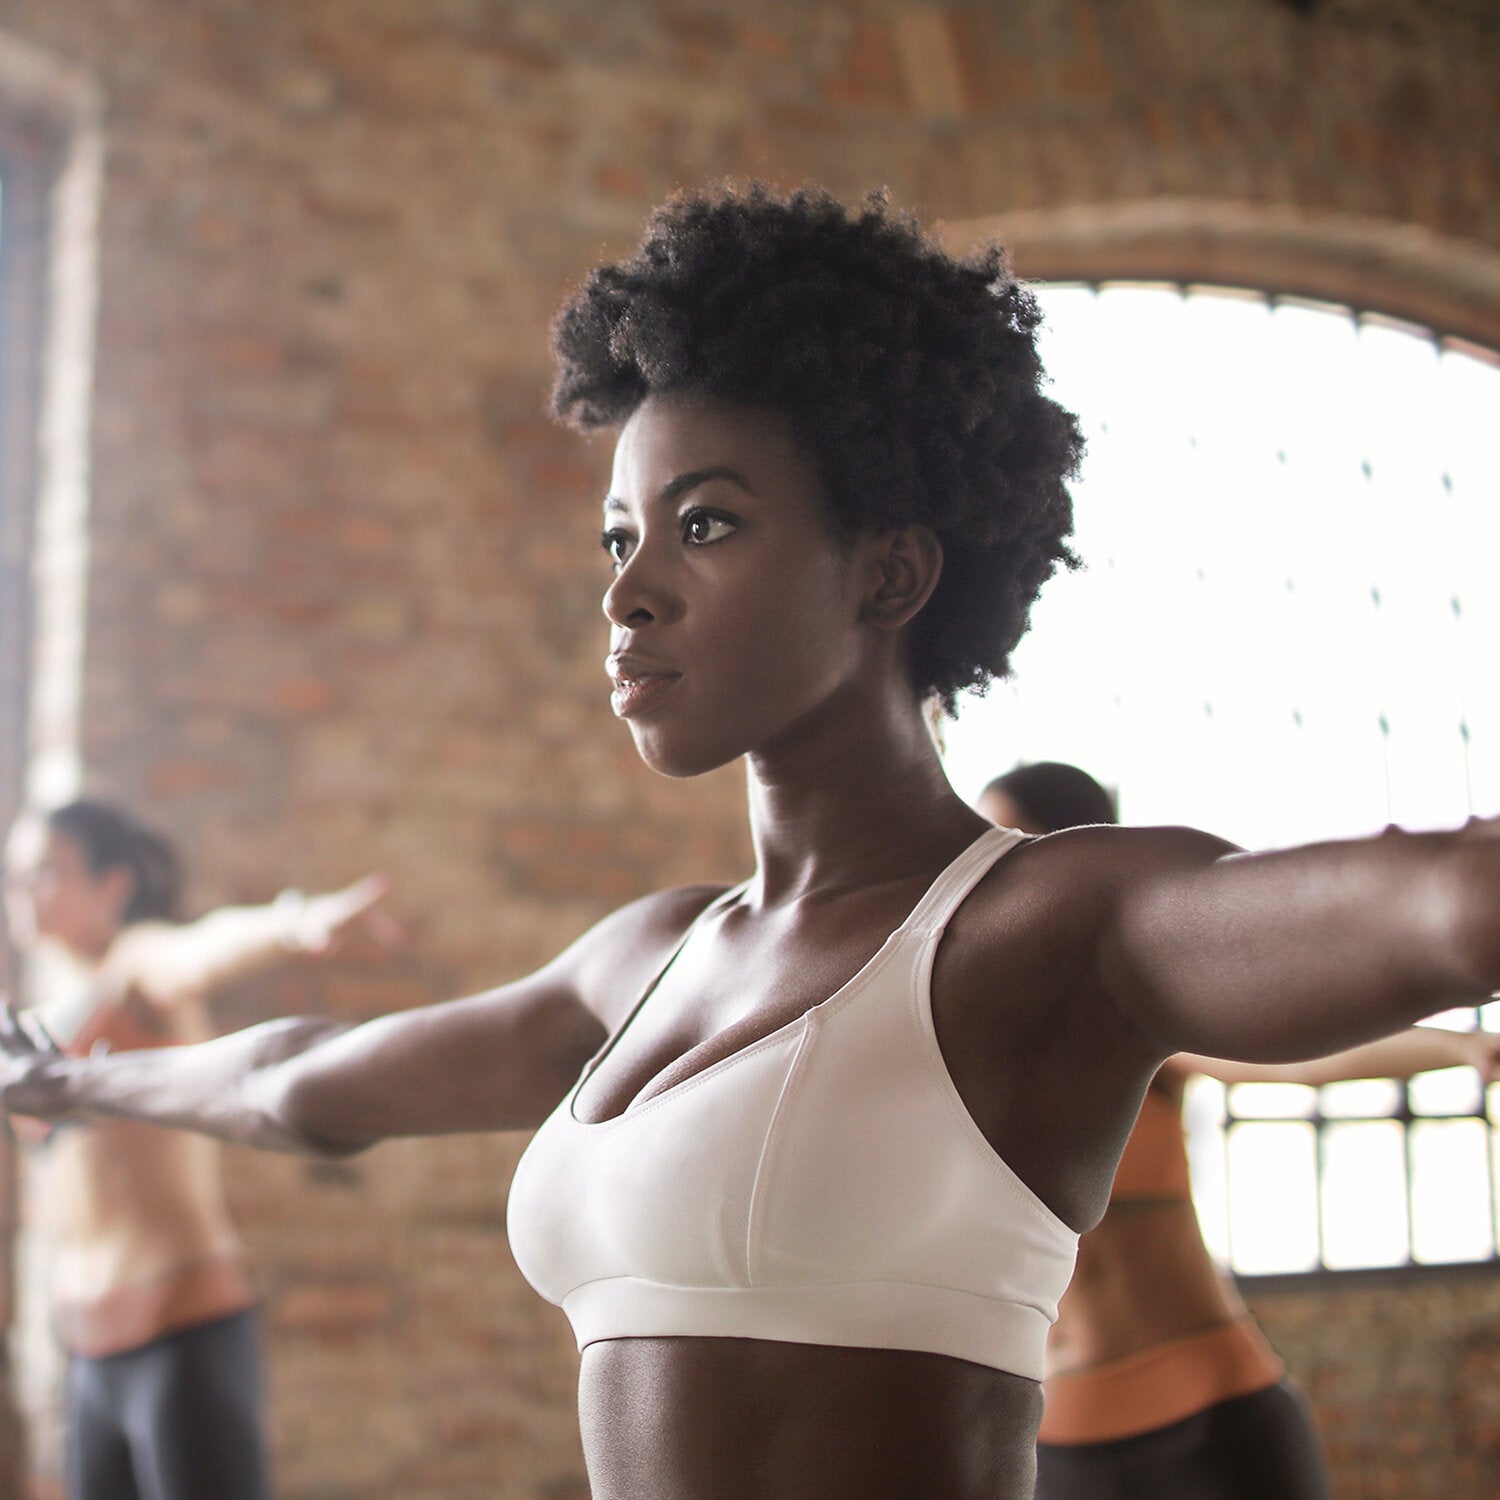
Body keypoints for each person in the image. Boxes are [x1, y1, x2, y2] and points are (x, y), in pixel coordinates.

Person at [1, 184, 1498, 1500]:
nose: (629, 591)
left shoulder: (1044, 930)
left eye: (704, 525)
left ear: (893, 572)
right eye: (618, 536)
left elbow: (1454, 904)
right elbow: (297, 1076)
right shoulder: (646, 958)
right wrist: (71, 1076)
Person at [979, 761, 1500, 1498]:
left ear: (1068, 853)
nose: (996, 868)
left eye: (1016, 841)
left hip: (1209, 1423)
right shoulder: (973, 1044)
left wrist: (1456, 1047)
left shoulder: (1128, 1020)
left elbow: (1295, 1064)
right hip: (1055, 1449)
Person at [2, 798, 391, 1500]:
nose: (23, 895)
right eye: (15, 877)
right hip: (87, 1355)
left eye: (45, 874)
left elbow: (199, 949)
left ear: (112, 884)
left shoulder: (133, 963)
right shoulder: (39, 1001)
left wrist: (293, 923)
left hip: (179, 1338)